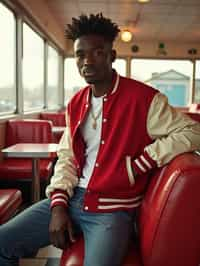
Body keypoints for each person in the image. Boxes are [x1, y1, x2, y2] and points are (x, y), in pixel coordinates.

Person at [0, 13, 200, 266]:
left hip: (113, 212)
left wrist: (139, 164)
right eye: (80, 55)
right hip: (72, 199)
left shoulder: (145, 99)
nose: (87, 61)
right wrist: (59, 203)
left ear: (111, 56)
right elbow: (68, 157)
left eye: (97, 52)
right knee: (3, 242)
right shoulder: (76, 102)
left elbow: (194, 133)